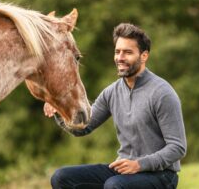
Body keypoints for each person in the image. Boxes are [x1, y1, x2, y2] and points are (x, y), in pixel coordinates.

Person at [44, 23, 187, 189]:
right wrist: (60, 110)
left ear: (144, 56)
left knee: (114, 185)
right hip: (124, 171)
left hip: (161, 175)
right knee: (61, 178)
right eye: (117, 52)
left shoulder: (162, 93)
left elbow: (177, 147)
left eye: (128, 52)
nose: (120, 57)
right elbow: (83, 128)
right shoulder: (111, 92)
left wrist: (139, 165)